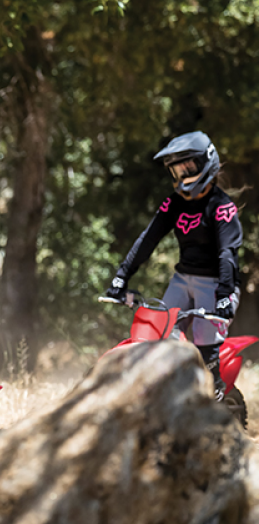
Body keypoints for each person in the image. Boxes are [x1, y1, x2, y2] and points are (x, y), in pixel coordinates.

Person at [104, 131, 243, 401]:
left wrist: (225, 296)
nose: (182, 174)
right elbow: (148, 239)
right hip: (182, 279)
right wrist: (121, 278)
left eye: (188, 167)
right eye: (176, 169)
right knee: (158, 336)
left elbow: (227, 253)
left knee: (205, 340)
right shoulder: (174, 203)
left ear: (206, 163)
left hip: (215, 283)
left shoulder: (222, 206)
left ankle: (214, 391)